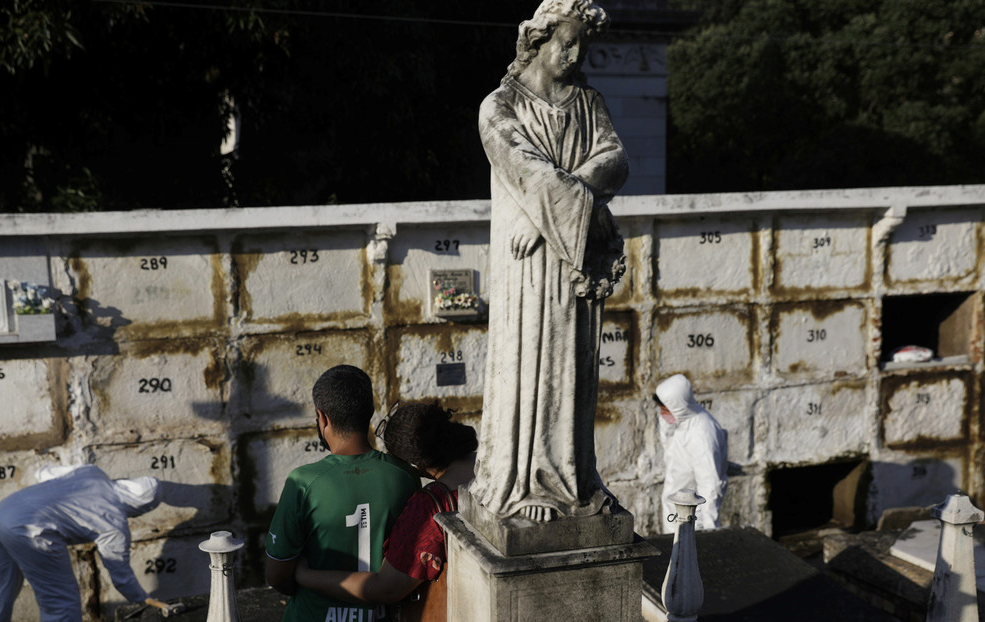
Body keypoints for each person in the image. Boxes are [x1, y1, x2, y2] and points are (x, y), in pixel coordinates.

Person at [471, 0, 628, 523]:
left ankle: (572, 478)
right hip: (528, 271)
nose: (575, 52)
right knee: (529, 363)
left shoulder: (589, 102)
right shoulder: (499, 106)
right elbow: (526, 169)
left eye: (583, 43)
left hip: (570, 259)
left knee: (572, 370)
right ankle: (523, 482)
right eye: (567, 40)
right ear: (538, 40)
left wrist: (543, 219)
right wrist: (557, 208)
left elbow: (616, 161)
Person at [293, 400, 477, 622]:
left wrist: (305, 576)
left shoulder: (431, 506)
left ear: (415, 465)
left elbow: (387, 588)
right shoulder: (499, 469)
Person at [265, 365, 419, 622]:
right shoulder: (404, 475)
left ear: (322, 417)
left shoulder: (302, 483)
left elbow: (277, 575)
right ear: (369, 412)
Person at [0, 464, 168, 621]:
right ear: (142, 508)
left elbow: (43, 472)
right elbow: (121, 576)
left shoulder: (92, 472)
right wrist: (144, 600)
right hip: (32, 530)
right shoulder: (114, 522)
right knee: (61, 604)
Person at [655, 374, 729, 532]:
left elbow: (710, 486)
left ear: (677, 406)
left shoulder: (701, 433)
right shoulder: (680, 422)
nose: (662, 414)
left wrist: (710, 531)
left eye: (665, 409)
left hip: (694, 522)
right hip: (675, 515)